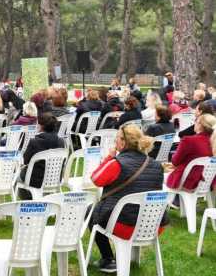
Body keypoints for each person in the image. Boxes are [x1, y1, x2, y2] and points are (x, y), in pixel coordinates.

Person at [90, 124, 168, 273]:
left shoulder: (117, 163)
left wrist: (109, 157)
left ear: (123, 142)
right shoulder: (157, 165)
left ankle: (107, 259)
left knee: (92, 211)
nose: (115, 141)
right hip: (154, 225)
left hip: (125, 226)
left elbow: (95, 179)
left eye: (117, 138)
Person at [17, 112, 65, 199]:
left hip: (35, 180)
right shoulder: (61, 142)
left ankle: (27, 202)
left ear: (41, 126)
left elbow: (25, 160)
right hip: (55, 178)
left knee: (17, 178)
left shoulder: (34, 142)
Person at [166, 114, 216, 190]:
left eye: (195, 121)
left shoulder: (188, 140)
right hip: (207, 182)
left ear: (200, 125)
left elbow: (175, 162)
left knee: (160, 176)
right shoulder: (213, 142)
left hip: (186, 182)